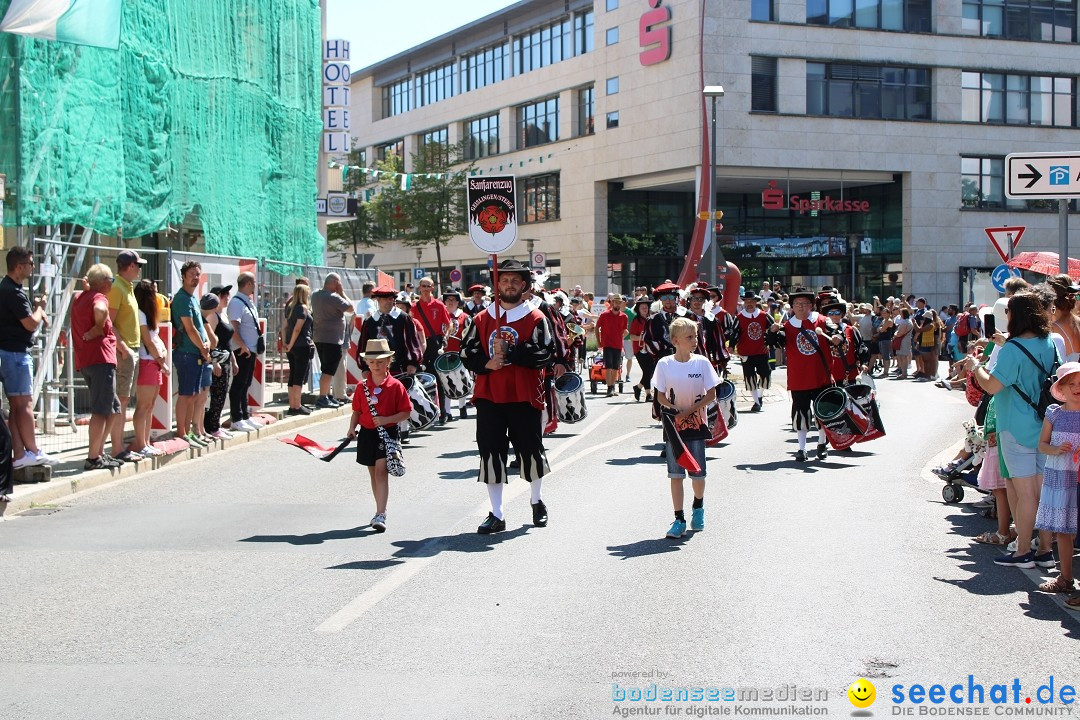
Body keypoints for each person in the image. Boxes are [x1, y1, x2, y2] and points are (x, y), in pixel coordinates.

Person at [459, 259, 556, 534]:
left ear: (523, 285)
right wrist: (486, 363)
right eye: (504, 280)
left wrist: (513, 352)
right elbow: (466, 352)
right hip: (490, 396)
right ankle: (497, 513)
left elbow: (545, 354)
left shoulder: (536, 318)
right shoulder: (480, 319)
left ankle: (536, 501)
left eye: (515, 281)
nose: (509, 285)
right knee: (491, 453)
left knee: (530, 452)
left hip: (524, 396)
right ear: (497, 284)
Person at [968, 291, 1057, 569]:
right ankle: (1043, 550)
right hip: (1042, 424)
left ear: (1016, 315)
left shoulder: (1012, 348)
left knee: (1026, 493)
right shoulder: (1047, 342)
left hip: (1014, 426)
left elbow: (992, 385)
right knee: (1042, 492)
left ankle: (1022, 552)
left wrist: (976, 366)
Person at [652, 317, 720, 538]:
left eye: (696, 336)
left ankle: (698, 507)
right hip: (674, 427)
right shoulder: (664, 364)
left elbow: (712, 393)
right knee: (676, 474)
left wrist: (689, 411)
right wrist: (674, 410)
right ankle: (679, 519)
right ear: (675, 341)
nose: (695, 340)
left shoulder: (702, 363)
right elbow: (660, 396)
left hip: (697, 424)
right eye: (689, 337)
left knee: (698, 474)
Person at [766, 287, 843, 461]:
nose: (801, 307)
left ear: (811, 306)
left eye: (805, 304)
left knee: (823, 413)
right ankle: (802, 449)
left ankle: (822, 444)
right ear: (792, 306)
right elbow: (773, 343)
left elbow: (836, 332)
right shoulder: (787, 326)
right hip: (799, 379)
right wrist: (772, 331)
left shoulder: (823, 321)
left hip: (821, 377)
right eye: (797, 304)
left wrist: (838, 337)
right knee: (801, 414)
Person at [347, 339, 413, 533]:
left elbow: (406, 412)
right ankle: (379, 510)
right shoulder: (361, 387)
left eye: (381, 361)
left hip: (387, 433)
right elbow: (357, 411)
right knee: (373, 473)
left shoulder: (395, 386)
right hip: (367, 433)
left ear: (389, 361)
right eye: (372, 361)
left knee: (381, 471)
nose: (376, 365)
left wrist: (387, 419)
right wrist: (352, 428)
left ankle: (381, 513)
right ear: (367, 362)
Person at [0, 247, 58, 468]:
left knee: (16, 405)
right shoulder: (12, 292)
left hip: (11, 353)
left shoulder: (9, 289)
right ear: (19, 266)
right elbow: (29, 323)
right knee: (24, 404)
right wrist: (40, 308)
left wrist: (36, 310)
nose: (33, 267)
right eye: (31, 263)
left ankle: (20, 454)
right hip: (15, 354)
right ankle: (32, 450)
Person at [1033, 362, 1080, 598]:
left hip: (1077, 477)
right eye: (1071, 384)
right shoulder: (1054, 413)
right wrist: (1055, 449)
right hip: (1059, 476)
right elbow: (1041, 444)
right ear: (1061, 387)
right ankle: (1066, 578)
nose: (1077, 388)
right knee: (1063, 531)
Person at [71, 264, 123, 470]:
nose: (112, 283)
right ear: (103, 283)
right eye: (111, 280)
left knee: (114, 407)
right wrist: (99, 327)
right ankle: (93, 457)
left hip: (86, 360)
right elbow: (100, 309)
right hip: (101, 359)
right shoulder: (99, 298)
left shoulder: (79, 298)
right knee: (101, 410)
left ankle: (99, 453)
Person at [107, 249, 145, 462]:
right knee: (120, 401)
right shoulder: (117, 288)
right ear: (130, 266)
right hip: (125, 352)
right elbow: (109, 322)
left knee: (123, 400)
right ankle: (117, 448)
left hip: (130, 350)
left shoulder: (126, 287)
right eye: (138, 265)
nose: (139, 269)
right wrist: (123, 348)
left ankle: (119, 447)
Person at [171, 261, 212, 447]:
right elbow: (190, 328)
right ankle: (181, 433)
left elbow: (200, 327)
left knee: (194, 395)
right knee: (186, 395)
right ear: (183, 276)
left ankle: (188, 432)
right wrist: (203, 349)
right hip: (186, 353)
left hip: (196, 353)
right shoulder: (181, 299)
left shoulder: (193, 298)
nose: (195, 277)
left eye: (198, 274)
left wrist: (207, 343)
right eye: (192, 274)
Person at [129, 280, 169, 457]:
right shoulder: (140, 314)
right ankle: (140, 444)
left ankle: (146, 442)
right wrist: (162, 361)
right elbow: (147, 340)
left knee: (150, 405)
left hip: (154, 363)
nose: (157, 295)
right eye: (154, 292)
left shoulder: (147, 314)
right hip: (148, 362)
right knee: (143, 405)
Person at [356, 286, 423, 377]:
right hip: (376, 370)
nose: (389, 301)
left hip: (401, 369)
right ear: (378, 299)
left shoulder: (403, 318)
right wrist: (364, 368)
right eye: (385, 299)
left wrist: (412, 363)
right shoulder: (370, 321)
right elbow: (363, 345)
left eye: (391, 298)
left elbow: (412, 342)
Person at [310, 272, 353, 408]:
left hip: (319, 337)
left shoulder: (315, 295)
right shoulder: (334, 298)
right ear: (335, 283)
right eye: (339, 282)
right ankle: (323, 397)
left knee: (326, 368)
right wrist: (342, 292)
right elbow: (351, 309)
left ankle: (327, 395)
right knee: (328, 370)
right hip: (332, 339)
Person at [227, 272, 264, 430]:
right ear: (248, 284)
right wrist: (242, 345)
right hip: (243, 350)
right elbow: (233, 327)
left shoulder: (247, 301)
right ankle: (236, 417)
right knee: (239, 384)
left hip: (250, 349)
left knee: (246, 383)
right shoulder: (236, 303)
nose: (256, 286)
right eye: (254, 282)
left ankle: (245, 415)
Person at [203, 285, 236, 438]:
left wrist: (233, 360)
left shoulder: (223, 315)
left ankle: (214, 424)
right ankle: (212, 426)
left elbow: (227, 341)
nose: (227, 297)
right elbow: (210, 340)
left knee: (223, 394)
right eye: (224, 294)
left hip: (226, 359)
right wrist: (214, 362)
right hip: (218, 361)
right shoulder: (213, 316)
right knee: (217, 394)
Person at [735, 293, 772, 412]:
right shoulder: (739, 317)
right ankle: (756, 402)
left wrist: (774, 332)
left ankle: (760, 396)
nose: (749, 303)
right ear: (744, 302)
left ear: (756, 302)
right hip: (745, 353)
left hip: (762, 351)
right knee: (750, 377)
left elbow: (773, 329)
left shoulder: (764, 315)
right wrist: (730, 345)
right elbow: (734, 333)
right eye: (747, 301)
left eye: (752, 301)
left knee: (766, 375)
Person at [283, 283, 315, 416]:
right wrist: (290, 343)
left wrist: (286, 343)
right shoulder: (302, 308)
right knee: (299, 377)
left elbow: (284, 326)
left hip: (292, 347)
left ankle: (293, 405)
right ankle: (297, 405)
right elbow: (298, 328)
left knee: (293, 375)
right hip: (301, 345)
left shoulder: (290, 308)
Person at [412, 276, 451, 373]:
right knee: (419, 370)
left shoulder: (439, 305)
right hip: (419, 342)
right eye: (423, 286)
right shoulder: (414, 306)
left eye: (428, 286)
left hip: (435, 342)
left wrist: (446, 337)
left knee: (436, 371)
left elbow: (449, 324)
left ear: (433, 288)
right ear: (419, 288)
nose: (426, 289)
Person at [595, 294, 628, 396]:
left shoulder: (624, 316)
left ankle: (612, 386)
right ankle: (609, 388)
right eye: (616, 302)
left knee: (615, 367)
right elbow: (597, 327)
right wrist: (598, 341)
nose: (617, 304)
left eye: (619, 302)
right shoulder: (604, 315)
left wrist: (621, 337)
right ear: (612, 303)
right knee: (608, 367)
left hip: (617, 345)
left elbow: (625, 330)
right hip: (607, 344)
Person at [629, 297, 654, 402]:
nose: (644, 309)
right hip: (640, 349)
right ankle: (648, 394)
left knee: (650, 371)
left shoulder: (652, 319)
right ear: (638, 309)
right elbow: (631, 337)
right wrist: (643, 338)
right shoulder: (636, 321)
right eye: (642, 307)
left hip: (651, 348)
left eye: (646, 307)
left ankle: (638, 387)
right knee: (647, 371)